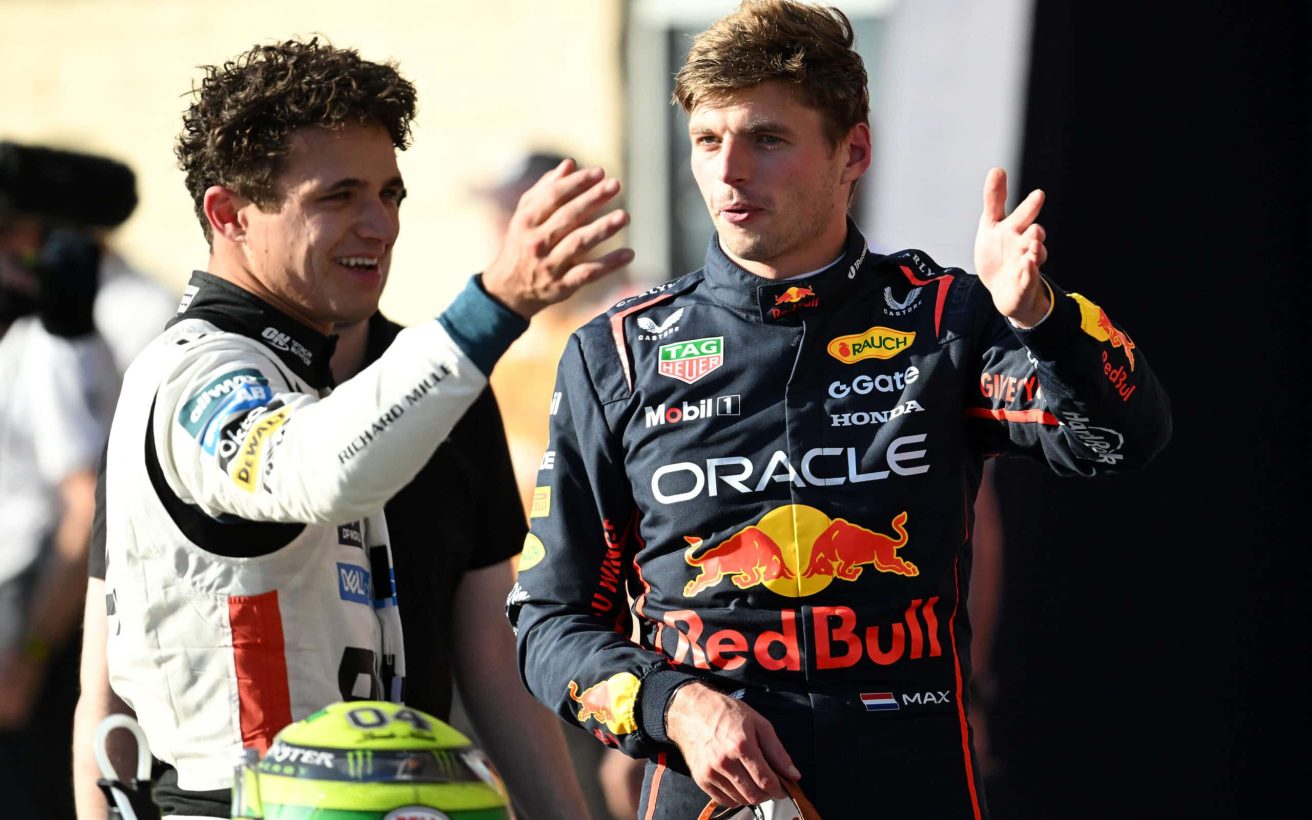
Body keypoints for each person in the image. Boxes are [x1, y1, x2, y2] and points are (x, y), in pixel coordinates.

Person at [508, 1, 1171, 818]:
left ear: (854, 149)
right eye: (708, 140)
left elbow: (1121, 439)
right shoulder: (619, 350)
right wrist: (673, 706)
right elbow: (547, 620)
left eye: (768, 139)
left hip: (908, 774)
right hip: (709, 787)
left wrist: (1042, 318)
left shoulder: (947, 320)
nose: (729, 171)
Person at [74, 37, 631, 820]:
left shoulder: (375, 372)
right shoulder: (189, 372)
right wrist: (494, 304)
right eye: (338, 197)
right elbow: (319, 469)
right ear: (229, 214)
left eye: (391, 194)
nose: (381, 226)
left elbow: (493, 659)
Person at [0, 229, 119, 820]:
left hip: (41, 608)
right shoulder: (77, 340)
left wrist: (30, 650)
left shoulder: (48, 346)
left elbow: (87, 507)